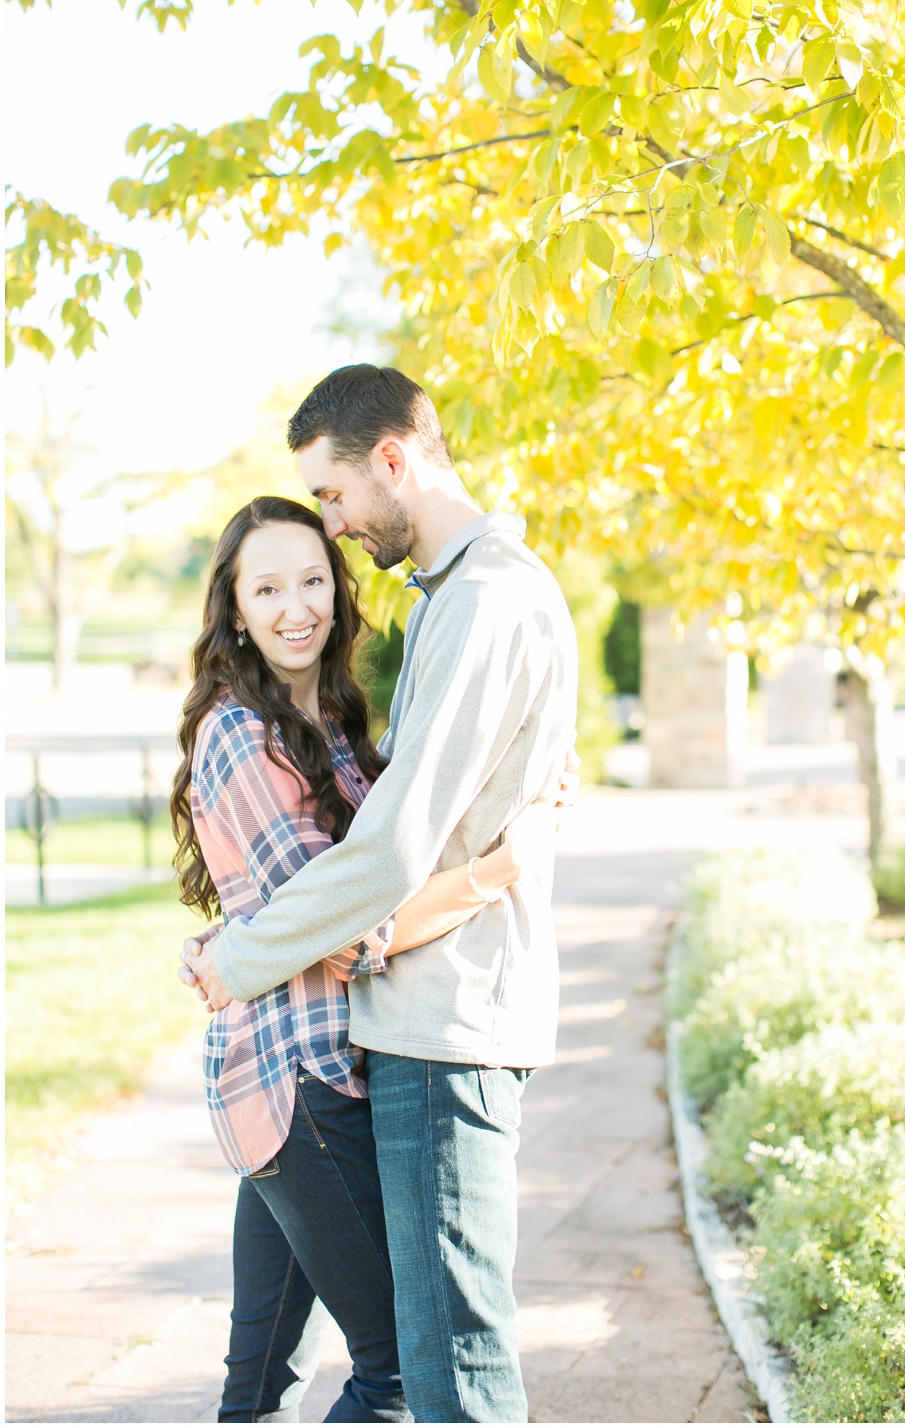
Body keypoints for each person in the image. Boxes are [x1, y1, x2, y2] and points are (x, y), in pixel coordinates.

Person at [184, 365, 580, 1423]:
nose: (336, 521)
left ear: (393, 461)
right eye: (265, 585)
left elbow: (391, 849)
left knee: (437, 1371)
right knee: (365, 1371)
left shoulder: (481, 599)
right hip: (325, 1053)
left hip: (432, 1026)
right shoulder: (449, 602)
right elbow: (398, 847)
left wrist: (238, 956)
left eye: (334, 496)